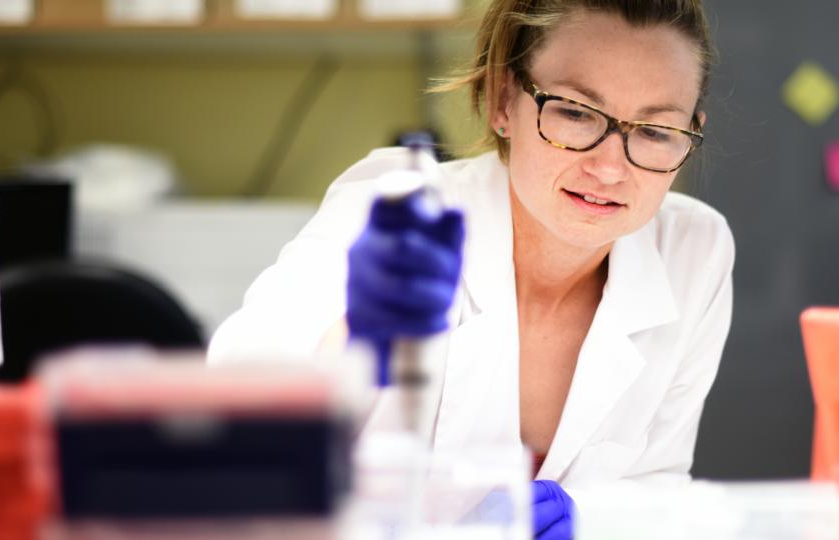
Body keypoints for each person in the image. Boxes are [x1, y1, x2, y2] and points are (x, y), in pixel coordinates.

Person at [209, 1, 731, 538]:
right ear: (503, 100)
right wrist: (358, 335)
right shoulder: (396, 209)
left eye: (655, 130)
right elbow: (231, 413)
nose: (609, 168)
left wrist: (596, 520)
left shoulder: (692, 251)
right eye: (575, 112)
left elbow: (658, 483)